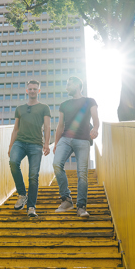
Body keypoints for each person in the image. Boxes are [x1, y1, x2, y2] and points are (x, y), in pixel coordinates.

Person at [52, 76, 99, 218]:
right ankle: (66, 200)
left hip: (83, 140)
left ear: (78, 85)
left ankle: (81, 207)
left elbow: (95, 119)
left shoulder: (89, 101)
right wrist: (56, 143)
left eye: (69, 84)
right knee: (56, 164)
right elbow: (60, 126)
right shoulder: (64, 104)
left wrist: (95, 128)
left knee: (82, 173)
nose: (66, 87)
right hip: (65, 139)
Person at [8, 80, 51, 217]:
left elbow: (47, 126)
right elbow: (15, 129)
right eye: (30, 89)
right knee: (13, 162)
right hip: (19, 142)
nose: (32, 91)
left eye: (35, 89)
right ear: (27, 91)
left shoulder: (44, 107)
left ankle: (31, 207)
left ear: (39, 91)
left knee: (33, 176)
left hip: (36, 144)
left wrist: (46, 143)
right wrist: (10, 146)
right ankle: (22, 194)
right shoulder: (19, 108)